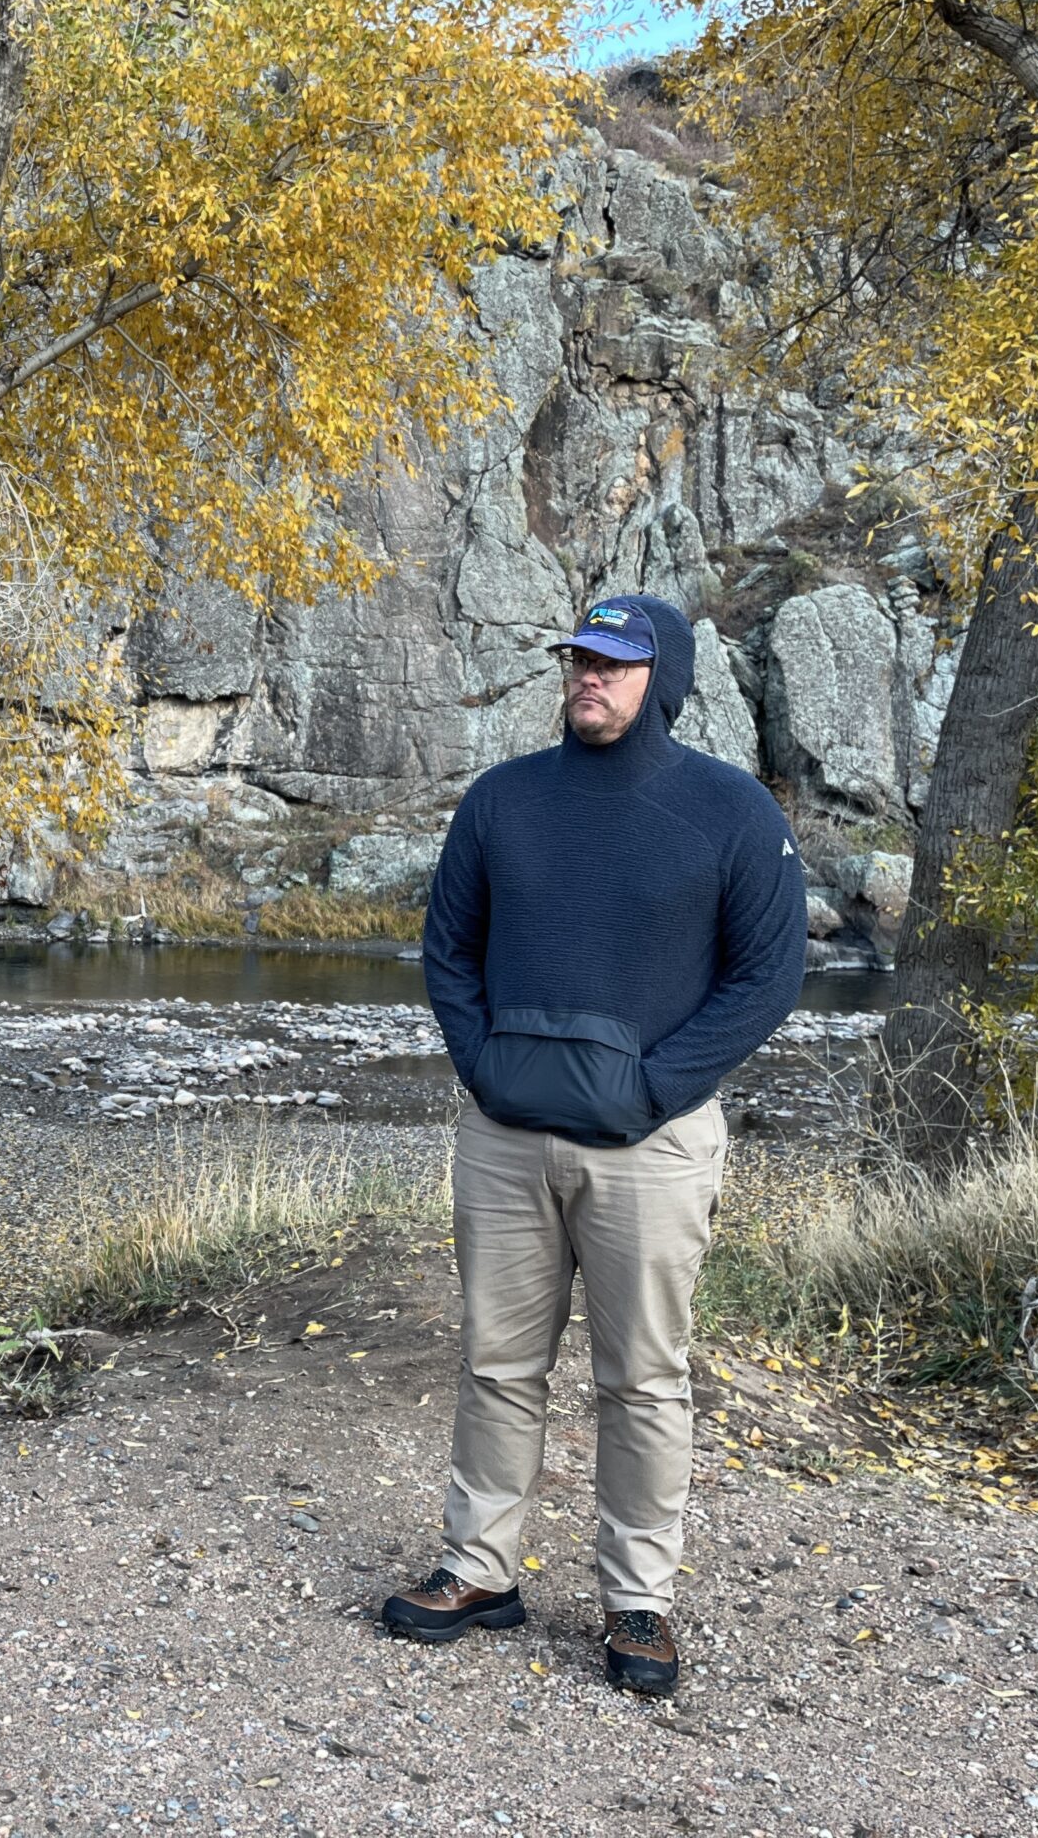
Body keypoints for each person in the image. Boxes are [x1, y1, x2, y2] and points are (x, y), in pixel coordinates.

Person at [378, 593, 806, 1697]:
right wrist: (483, 1068)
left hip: (652, 1150)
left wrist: (655, 1089)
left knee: (644, 1380)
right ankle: (478, 1571)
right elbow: (448, 949)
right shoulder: (502, 801)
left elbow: (769, 976)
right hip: (505, 1140)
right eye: (577, 659)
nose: (588, 678)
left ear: (661, 680)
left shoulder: (728, 809)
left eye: (614, 664)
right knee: (496, 1365)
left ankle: (637, 1604)